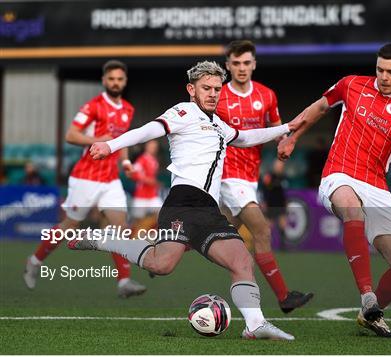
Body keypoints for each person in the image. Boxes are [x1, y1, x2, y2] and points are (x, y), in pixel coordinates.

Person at [69, 61, 304, 340]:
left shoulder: (219, 124)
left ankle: (255, 325)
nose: (213, 93)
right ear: (191, 89)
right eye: (206, 88)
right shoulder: (183, 112)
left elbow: (246, 137)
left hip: (208, 209)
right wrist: (111, 145)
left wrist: (285, 127)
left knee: (241, 261)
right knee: (162, 265)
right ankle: (103, 238)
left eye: (217, 89)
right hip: (183, 200)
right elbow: (147, 130)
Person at [278, 43, 391, 338]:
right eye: (380, 69)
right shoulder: (352, 84)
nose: (384, 76)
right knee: (351, 208)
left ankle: (369, 315)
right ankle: (367, 295)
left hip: (377, 185)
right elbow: (319, 107)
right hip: (339, 172)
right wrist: (292, 137)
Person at [23, 60, 146, 298]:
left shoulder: (128, 110)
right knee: (69, 226)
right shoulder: (93, 106)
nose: (115, 83)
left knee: (120, 227)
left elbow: (121, 143)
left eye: (120, 79)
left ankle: (124, 282)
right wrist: (98, 139)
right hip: (86, 176)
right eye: (111, 79)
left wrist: (126, 162)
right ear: (104, 81)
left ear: (125, 81)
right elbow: (71, 135)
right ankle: (34, 261)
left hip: (110, 179)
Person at [216, 40, 313, 313]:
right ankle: (284, 296)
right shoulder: (218, 96)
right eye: (236, 63)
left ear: (254, 64)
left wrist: (285, 142)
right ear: (228, 66)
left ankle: (165, 254)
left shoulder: (267, 96)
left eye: (246, 63)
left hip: (250, 176)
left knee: (219, 231)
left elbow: (275, 127)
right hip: (227, 175)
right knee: (261, 230)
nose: (241, 68)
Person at [128, 140, 162, 232]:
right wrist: (148, 180)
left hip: (152, 195)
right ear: (146, 146)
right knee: (136, 220)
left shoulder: (154, 160)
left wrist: (153, 182)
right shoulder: (142, 159)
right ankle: (129, 237)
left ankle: (152, 235)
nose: (153, 148)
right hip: (141, 195)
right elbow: (133, 174)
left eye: (155, 147)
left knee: (162, 215)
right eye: (151, 146)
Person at [260, 159, 288, 250]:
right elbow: (264, 190)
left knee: (283, 224)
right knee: (269, 226)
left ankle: (283, 246)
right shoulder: (269, 177)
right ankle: (267, 246)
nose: (280, 168)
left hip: (280, 204)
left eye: (281, 166)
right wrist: (264, 202)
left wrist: (285, 202)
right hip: (270, 204)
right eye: (278, 166)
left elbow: (284, 192)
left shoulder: (283, 177)